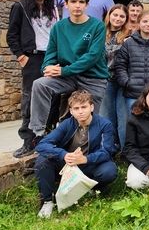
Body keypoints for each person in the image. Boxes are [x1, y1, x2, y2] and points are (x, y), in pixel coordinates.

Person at [28, 0, 108, 140]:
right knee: (40, 84)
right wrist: (47, 67)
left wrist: (64, 71)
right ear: (65, 4)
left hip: (93, 78)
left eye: (81, 2)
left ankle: (92, 147)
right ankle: (38, 132)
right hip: (67, 77)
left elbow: (92, 56)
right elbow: (51, 53)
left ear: (87, 5)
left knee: (93, 122)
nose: (77, 5)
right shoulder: (59, 27)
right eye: (73, 1)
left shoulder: (97, 26)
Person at [33, 89, 117, 219]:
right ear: (71, 111)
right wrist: (64, 155)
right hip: (68, 163)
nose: (80, 111)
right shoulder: (67, 124)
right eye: (76, 108)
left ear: (92, 107)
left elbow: (107, 151)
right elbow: (42, 144)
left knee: (109, 171)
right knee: (42, 161)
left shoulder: (105, 124)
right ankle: (47, 201)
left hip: (90, 164)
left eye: (84, 107)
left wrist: (85, 159)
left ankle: (92, 188)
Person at [8, 0, 59, 157]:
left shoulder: (53, 8)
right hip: (33, 57)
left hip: (51, 57)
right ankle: (28, 141)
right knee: (30, 98)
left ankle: (47, 136)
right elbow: (12, 34)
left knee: (53, 97)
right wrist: (21, 56)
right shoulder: (21, 6)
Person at [100, 4, 131, 148]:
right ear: (109, 16)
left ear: (126, 19)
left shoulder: (129, 36)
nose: (118, 18)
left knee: (124, 117)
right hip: (104, 80)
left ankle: (126, 151)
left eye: (122, 16)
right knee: (106, 116)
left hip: (122, 80)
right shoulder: (100, 33)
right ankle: (108, 149)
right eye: (115, 15)